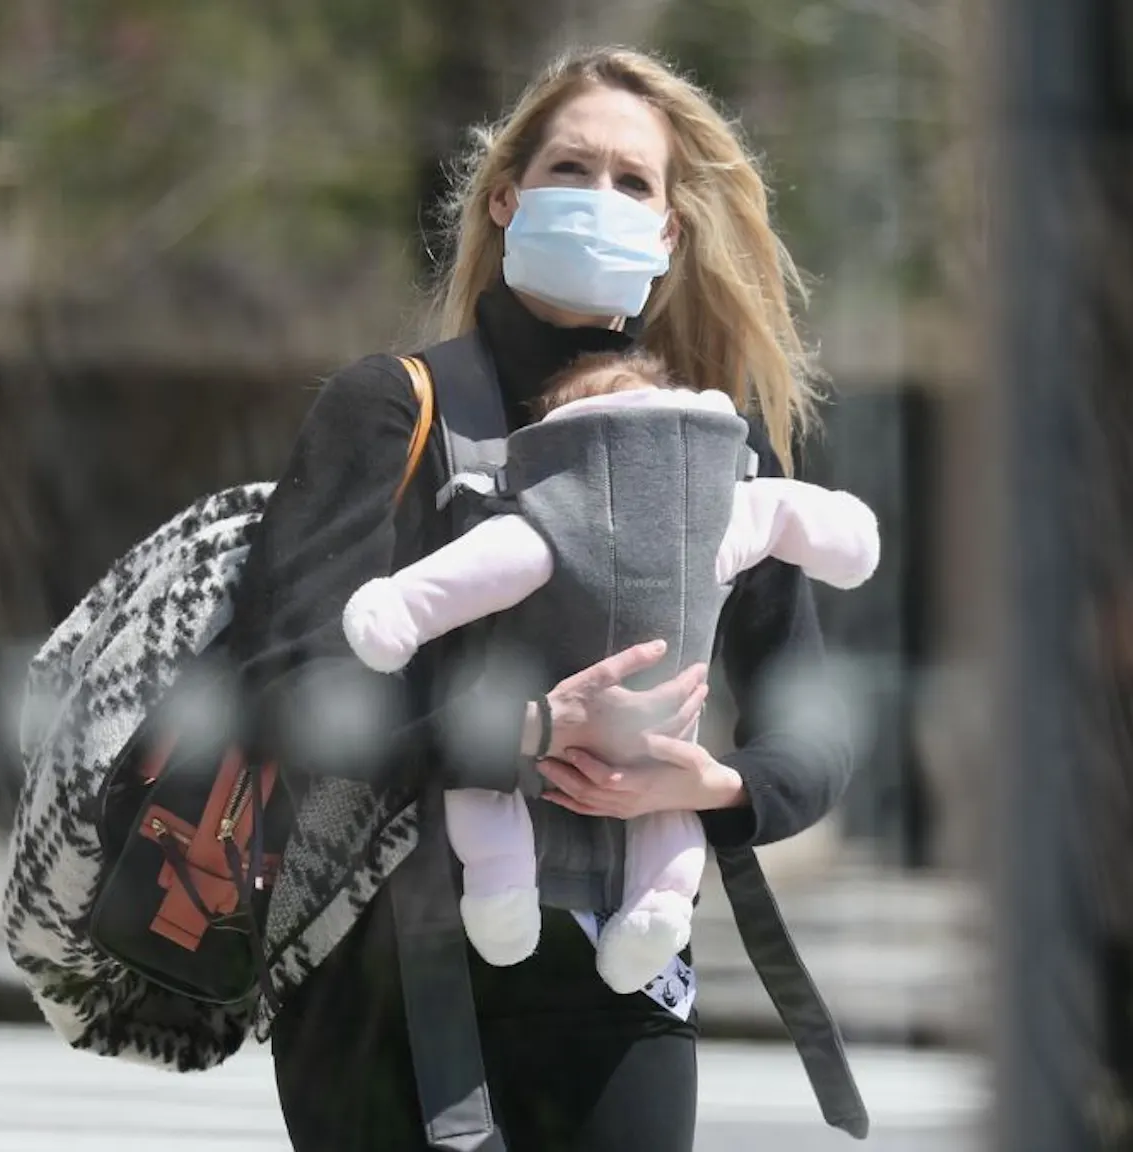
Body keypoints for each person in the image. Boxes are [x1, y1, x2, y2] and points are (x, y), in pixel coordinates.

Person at [223, 44, 854, 1151]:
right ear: (506, 196)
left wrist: (713, 781)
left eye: (631, 181)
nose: (597, 198)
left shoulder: (718, 452)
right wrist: (528, 736)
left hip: (621, 982)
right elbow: (283, 694)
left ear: (667, 232)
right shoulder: (390, 411)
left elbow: (806, 723)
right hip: (382, 982)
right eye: (570, 169)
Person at [339, 349, 879, 997]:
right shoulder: (415, 411)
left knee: (630, 830)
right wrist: (538, 727)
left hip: (637, 984)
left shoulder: (726, 471)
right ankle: (547, 895)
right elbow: (321, 719)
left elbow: (813, 747)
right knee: (511, 808)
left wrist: (713, 785)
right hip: (429, 953)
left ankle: (636, 909)